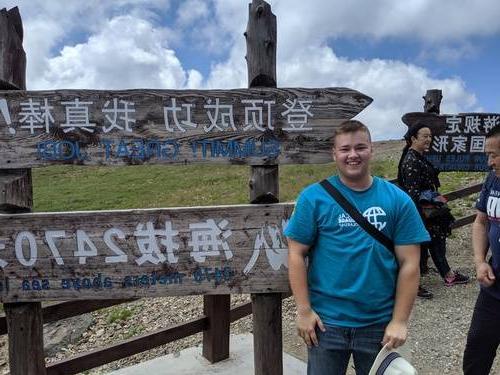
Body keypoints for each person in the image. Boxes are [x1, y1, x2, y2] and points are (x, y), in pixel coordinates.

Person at [285, 120, 429, 375]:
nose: (353, 155)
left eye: (360, 147)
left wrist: (399, 320)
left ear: (371, 149)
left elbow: (410, 263)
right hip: (325, 324)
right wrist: (304, 311)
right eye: (345, 149)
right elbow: (296, 253)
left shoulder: (397, 200)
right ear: (334, 153)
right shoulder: (313, 198)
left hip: (379, 324)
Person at [397, 123, 469, 299]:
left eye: (430, 136)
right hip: (421, 212)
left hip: (429, 211)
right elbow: (412, 192)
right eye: (425, 136)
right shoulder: (411, 160)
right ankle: (413, 284)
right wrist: (417, 219)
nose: (429, 139)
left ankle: (447, 275)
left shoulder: (419, 157)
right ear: (413, 138)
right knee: (418, 248)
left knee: (435, 242)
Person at [463, 125, 500, 375]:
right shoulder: (493, 179)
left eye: (494, 154)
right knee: (476, 352)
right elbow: (481, 221)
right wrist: (479, 261)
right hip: (493, 288)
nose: (490, 162)